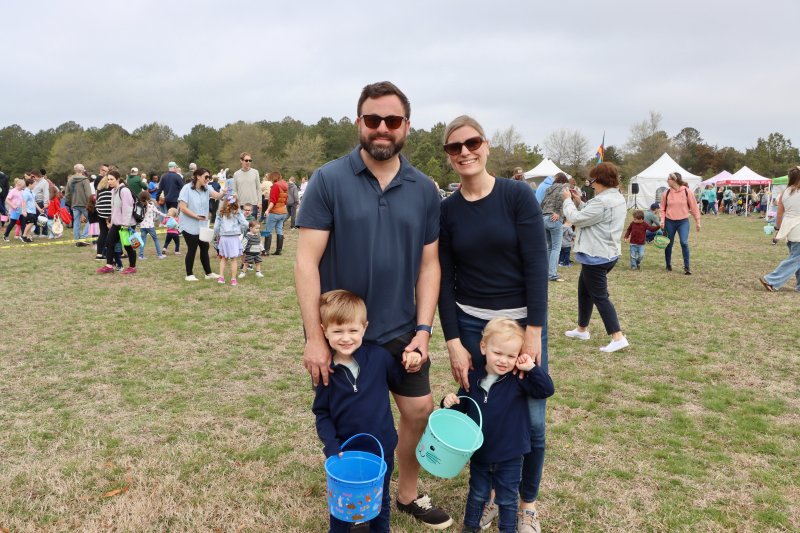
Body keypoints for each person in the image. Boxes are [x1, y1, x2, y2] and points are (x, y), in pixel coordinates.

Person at [296, 81, 451, 529]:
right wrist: (315, 338)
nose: (382, 128)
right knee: (350, 421)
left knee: (418, 411)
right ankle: (356, 486)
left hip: (402, 326)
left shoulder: (424, 188)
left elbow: (429, 266)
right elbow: (306, 263)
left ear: (407, 126)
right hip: (345, 331)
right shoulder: (329, 179)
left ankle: (405, 493)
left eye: (393, 120)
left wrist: (423, 330)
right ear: (359, 123)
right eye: (373, 119)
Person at [437, 114, 548, 532]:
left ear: (486, 145)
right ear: (448, 156)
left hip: (522, 325)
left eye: (472, 143)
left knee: (531, 421)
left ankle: (527, 504)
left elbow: (537, 265)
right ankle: (490, 493)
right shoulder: (446, 210)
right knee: (480, 414)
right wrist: (452, 340)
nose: (465, 151)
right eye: (455, 147)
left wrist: (535, 331)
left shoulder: (517, 196)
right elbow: (444, 279)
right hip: (470, 324)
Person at [312, 290, 416, 533]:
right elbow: (322, 413)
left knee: (380, 498)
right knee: (342, 503)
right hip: (344, 453)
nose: (346, 338)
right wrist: (331, 446)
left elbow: (398, 380)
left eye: (353, 330)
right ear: (324, 330)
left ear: (364, 327)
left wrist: (409, 362)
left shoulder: (379, 357)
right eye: (337, 331)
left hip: (382, 447)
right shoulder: (326, 372)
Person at [442, 318, 554, 533]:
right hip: (480, 453)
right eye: (498, 353)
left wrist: (532, 369)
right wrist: (449, 403)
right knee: (477, 493)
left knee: (508, 499)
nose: (504, 360)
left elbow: (546, 390)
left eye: (511, 356)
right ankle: (470, 527)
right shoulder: (472, 379)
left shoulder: (518, 379)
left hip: (510, 455)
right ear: (483, 347)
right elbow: (461, 412)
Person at [561, 162, 629, 353]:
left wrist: (567, 201)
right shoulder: (615, 197)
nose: (590, 184)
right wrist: (579, 202)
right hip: (606, 253)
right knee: (584, 291)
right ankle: (582, 329)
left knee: (600, 296)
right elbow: (591, 213)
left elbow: (576, 219)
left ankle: (617, 336)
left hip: (596, 255)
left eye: (592, 181)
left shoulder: (602, 201)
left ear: (600, 180)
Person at [178, 167, 225, 281]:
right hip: (188, 225)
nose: (207, 179)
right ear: (198, 176)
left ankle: (208, 273)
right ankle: (189, 275)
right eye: (206, 177)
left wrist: (224, 192)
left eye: (209, 177)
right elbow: (183, 208)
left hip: (202, 226)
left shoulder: (207, 188)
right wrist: (196, 216)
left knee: (204, 247)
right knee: (192, 248)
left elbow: (217, 196)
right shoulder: (186, 188)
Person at [760, 167, 800, 292]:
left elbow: (779, 214)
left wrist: (778, 229)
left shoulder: (785, 193)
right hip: (798, 227)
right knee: (795, 259)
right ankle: (772, 280)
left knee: (796, 258)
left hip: (788, 228)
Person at [95, 171, 137, 275]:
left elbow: (128, 208)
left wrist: (126, 224)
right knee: (109, 243)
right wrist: (112, 222)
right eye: (108, 179)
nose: (109, 181)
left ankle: (132, 267)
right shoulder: (113, 191)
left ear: (118, 179)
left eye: (111, 179)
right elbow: (114, 209)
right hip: (116, 223)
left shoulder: (124, 191)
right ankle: (109, 265)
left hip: (126, 224)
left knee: (128, 246)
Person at [660, 172, 701, 275]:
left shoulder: (687, 192)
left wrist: (698, 222)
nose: (667, 180)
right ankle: (668, 265)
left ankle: (687, 267)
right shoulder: (666, 193)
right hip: (669, 221)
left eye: (668, 179)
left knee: (684, 242)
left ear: (674, 180)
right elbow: (662, 209)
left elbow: (694, 208)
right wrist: (662, 220)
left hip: (683, 221)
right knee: (668, 244)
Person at [540, 173, 569, 282]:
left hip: (544, 217)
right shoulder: (564, 187)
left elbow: (542, 203)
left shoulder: (549, 189)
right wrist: (558, 212)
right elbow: (562, 200)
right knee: (556, 248)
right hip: (554, 219)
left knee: (549, 247)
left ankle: (546, 272)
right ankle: (552, 274)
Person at [213, 194, 248, 286]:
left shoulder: (220, 212)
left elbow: (216, 227)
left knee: (223, 259)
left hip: (224, 238)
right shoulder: (238, 212)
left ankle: (221, 277)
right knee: (234, 259)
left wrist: (217, 236)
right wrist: (242, 230)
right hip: (234, 238)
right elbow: (245, 224)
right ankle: (233, 279)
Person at [64, 163, 93, 246]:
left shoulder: (70, 180)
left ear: (75, 170)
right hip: (84, 204)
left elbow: (67, 193)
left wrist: (69, 203)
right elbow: (88, 193)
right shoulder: (85, 180)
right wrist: (90, 203)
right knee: (91, 220)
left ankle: (77, 240)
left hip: (74, 204)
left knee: (76, 222)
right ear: (83, 170)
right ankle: (83, 238)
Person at [264, 171, 289, 255]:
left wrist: (267, 210)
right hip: (283, 212)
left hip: (274, 212)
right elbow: (285, 200)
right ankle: (279, 251)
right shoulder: (285, 185)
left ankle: (266, 251)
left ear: (273, 177)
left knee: (268, 230)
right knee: (279, 230)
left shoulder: (275, 186)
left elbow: (273, 201)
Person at [137, 191, 166, 260]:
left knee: (142, 240)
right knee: (155, 240)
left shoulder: (139, 207)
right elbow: (158, 212)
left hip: (143, 226)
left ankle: (141, 256)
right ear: (148, 197)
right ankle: (160, 255)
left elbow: (137, 216)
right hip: (150, 226)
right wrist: (166, 215)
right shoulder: (151, 205)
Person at [233, 153, 261, 220]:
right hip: (241, 204)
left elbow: (258, 189)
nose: (248, 162)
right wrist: (236, 203)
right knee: (241, 227)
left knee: (252, 227)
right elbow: (235, 190)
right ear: (241, 161)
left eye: (250, 160)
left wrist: (260, 202)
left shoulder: (255, 172)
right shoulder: (236, 174)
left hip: (253, 204)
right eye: (246, 160)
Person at [94, 175, 113, 260]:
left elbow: (97, 201)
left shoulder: (99, 190)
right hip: (111, 213)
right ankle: (115, 252)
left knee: (103, 233)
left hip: (101, 212)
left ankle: (99, 254)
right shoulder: (112, 190)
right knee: (113, 234)